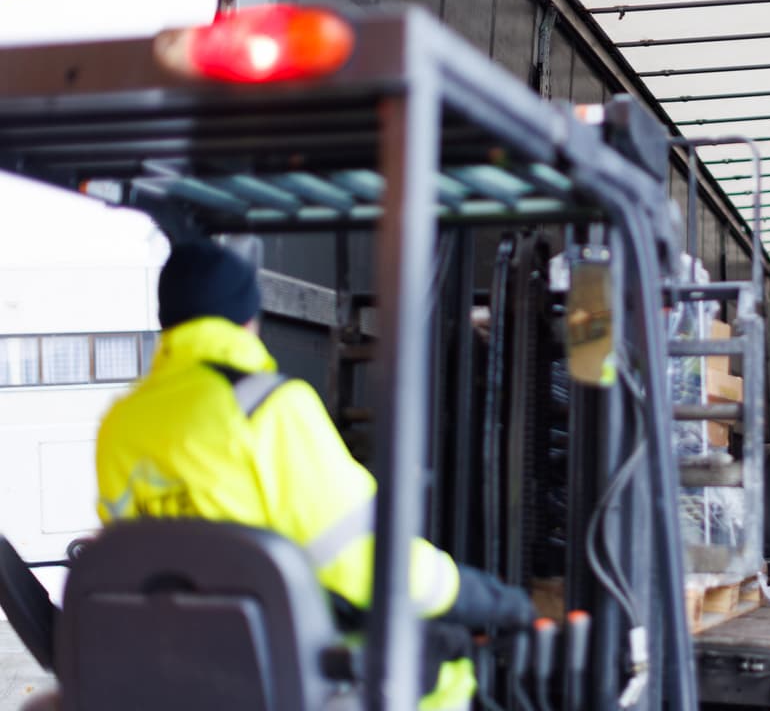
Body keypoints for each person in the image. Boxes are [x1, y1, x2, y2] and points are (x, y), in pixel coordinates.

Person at [95, 239, 532, 709]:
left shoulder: (119, 423)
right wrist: (480, 596)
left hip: (176, 665)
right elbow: (361, 556)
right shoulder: (267, 407)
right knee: (445, 660)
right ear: (248, 319)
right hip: (269, 671)